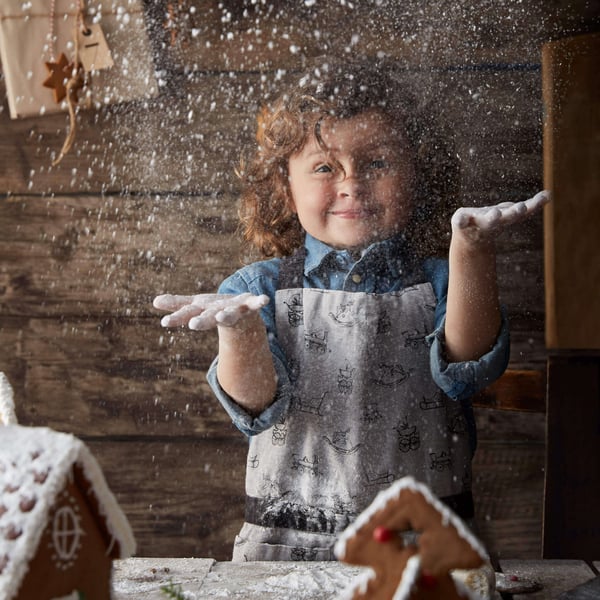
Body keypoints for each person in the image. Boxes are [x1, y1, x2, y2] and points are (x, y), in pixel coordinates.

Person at [154, 59, 549, 562]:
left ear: (417, 176)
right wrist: (241, 333)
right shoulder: (257, 290)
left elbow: (465, 374)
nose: (352, 183)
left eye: (378, 163)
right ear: (284, 186)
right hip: (286, 550)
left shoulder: (440, 278)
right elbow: (256, 408)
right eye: (324, 167)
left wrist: (471, 251)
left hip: (423, 549)